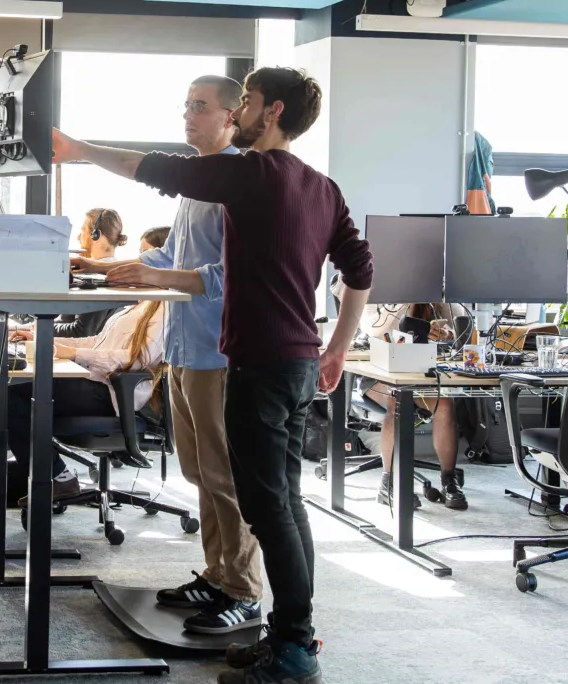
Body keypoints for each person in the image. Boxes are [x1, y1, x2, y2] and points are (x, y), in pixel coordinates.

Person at [52, 66, 373, 684]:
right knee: (283, 504)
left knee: (265, 508)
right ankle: (290, 637)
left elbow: (160, 170)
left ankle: (291, 648)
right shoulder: (321, 186)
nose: (239, 113)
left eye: (246, 102)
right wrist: (334, 348)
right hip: (298, 360)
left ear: (270, 112)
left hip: (259, 362)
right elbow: (359, 270)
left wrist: (81, 150)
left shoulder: (253, 174)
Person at [74, 74, 265, 635]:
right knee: (199, 470)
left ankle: (245, 590)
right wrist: (105, 267)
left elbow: (232, 275)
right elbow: (175, 258)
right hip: (183, 347)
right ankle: (218, 572)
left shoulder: (238, 184)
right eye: (186, 105)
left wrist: (156, 272)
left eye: (201, 107)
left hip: (218, 348)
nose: (189, 115)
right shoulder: (194, 187)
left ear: (233, 117)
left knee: (226, 474)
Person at [0, 300, 167, 503]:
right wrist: (43, 339)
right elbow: (97, 342)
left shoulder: (166, 312)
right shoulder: (138, 306)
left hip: (109, 393)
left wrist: (69, 352)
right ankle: (58, 478)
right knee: (4, 397)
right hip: (94, 381)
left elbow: (134, 358)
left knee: (2, 393)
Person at [369, 303, 469, 510]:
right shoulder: (380, 294)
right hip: (377, 371)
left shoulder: (436, 300)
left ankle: (449, 481)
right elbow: (374, 329)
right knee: (395, 399)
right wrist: (404, 303)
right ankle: (389, 483)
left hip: (420, 373)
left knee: (444, 404)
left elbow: (464, 326)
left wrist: (447, 331)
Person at [54, 207, 127, 338]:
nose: (78, 237)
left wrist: (38, 328)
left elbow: (81, 332)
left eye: (83, 231)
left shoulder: (98, 280)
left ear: (96, 235)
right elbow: (66, 321)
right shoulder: (104, 275)